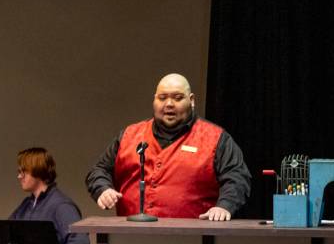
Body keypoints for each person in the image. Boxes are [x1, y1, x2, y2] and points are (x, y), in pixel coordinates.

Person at [85, 73, 250, 221]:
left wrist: (224, 206)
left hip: (191, 240)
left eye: (178, 98)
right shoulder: (129, 135)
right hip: (131, 238)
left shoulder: (216, 138)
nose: (169, 104)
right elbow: (99, 170)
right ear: (154, 100)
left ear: (191, 100)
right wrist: (103, 189)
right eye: (162, 98)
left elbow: (237, 178)